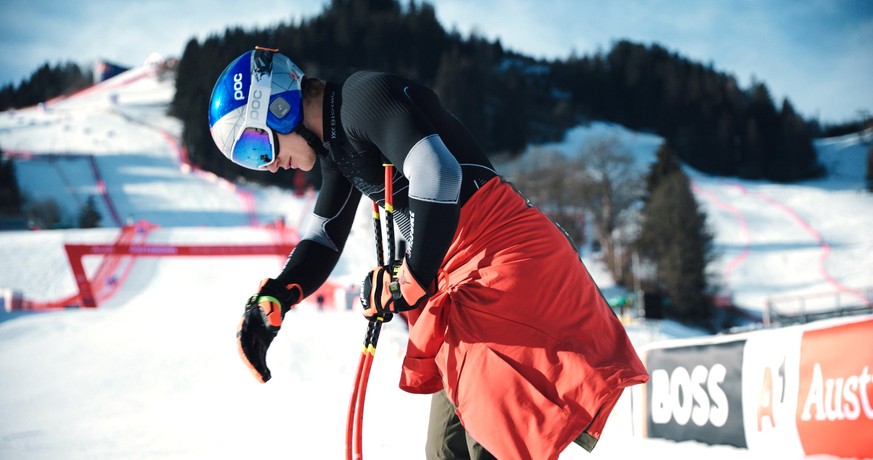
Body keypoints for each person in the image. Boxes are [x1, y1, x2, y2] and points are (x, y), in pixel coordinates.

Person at [209, 47, 649, 460]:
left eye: (257, 147)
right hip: (457, 277)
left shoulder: (361, 98)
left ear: (280, 107)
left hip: (502, 262)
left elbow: (437, 173)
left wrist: (411, 277)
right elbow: (322, 239)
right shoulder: (336, 148)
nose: (266, 166)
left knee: (492, 442)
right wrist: (275, 298)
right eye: (251, 160)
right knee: (445, 450)